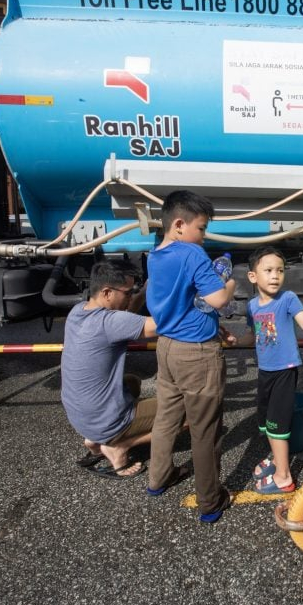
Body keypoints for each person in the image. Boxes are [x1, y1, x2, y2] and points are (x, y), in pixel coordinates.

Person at [145, 190, 236, 523]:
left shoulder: (156, 255)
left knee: (166, 417)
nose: (204, 235)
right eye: (202, 228)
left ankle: (158, 479)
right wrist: (230, 284)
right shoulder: (193, 254)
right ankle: (210, 501)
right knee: (205, 429)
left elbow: (186, 303)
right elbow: (217, 300)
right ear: (180, 224)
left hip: (166, 347)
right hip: (196, 354)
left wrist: (213, 325)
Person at [233, 246, 303, 494]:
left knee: (278, 424)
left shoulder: (288, 298)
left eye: (280, 271)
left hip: (285, 370)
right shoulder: (252, 306)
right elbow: (253, 336)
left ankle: (284, 477)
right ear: (253, 276)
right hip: (265, 371)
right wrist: (235, 341)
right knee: (266, 422)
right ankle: (277, 459)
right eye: (268, 270)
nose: (275, 276)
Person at [60, 259, 157, 479]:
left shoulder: (77, 312)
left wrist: (142, 292)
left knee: (132, 382)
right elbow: (166, 325)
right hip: (104, 420)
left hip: (81, 418)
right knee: (191, 412)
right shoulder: (110, 323)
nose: (130, 297)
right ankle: (120, 445)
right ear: (107, 292)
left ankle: (95, 440)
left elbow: (125, 318)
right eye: (127, 292)